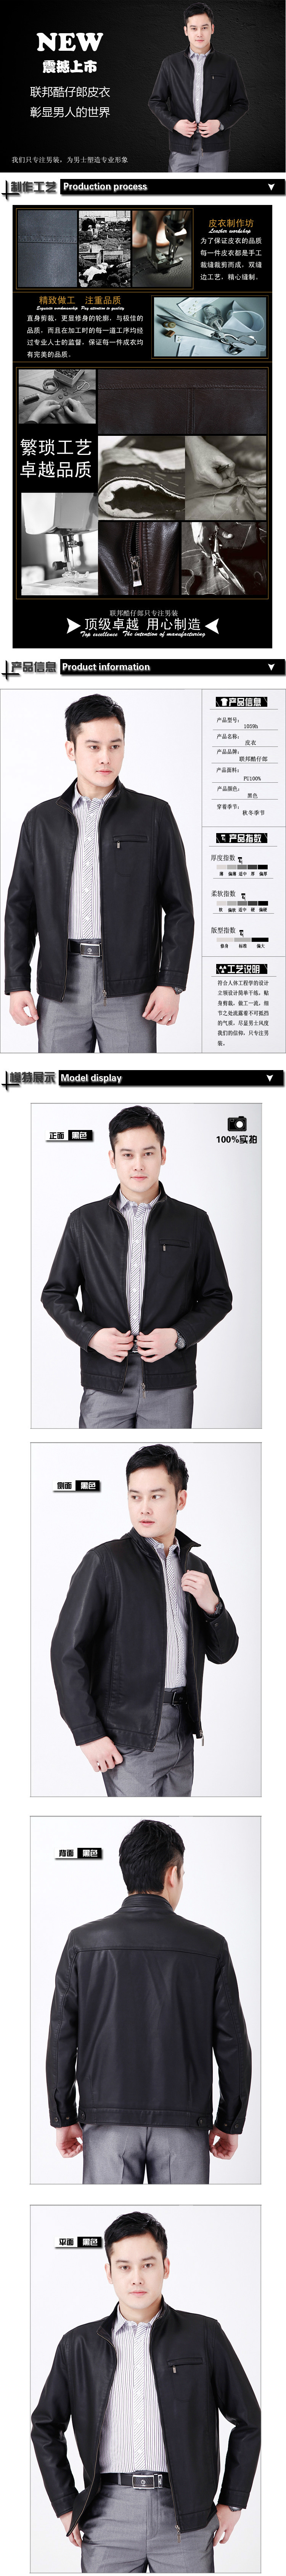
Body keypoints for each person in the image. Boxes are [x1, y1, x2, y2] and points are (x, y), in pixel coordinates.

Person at [31, 2208, 261, 2571]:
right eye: (124, 2267)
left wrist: (233, 2501)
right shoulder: (78, 2345)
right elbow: (45, 2426)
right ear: (109, 2273)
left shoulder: (204, 2335)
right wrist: (64, 2505)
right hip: (107, 2515)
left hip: (186, 2518)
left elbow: (249, 2419)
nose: (137, 2277)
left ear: (166, 2268)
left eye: (148, 2265)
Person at [47, 1814, 251, 2183]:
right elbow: (233, 2042)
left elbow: (62, 2035)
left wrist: (64, 2117)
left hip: (106, 2125)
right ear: (172, 1875)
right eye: (183, 1875)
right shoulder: (210, 1946)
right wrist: (229, 2121)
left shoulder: (83, 1943)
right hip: (184, 2125)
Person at [5, 696, 194, 1057]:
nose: (106, 757)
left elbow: (180, 908)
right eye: (93, 747)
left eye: (115, 746)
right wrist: (17, 983)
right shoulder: (40, 822)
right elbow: (20, 909)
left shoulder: (154, 815)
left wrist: (171, 982)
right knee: (59, 1084)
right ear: (71, 750)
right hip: (60, 986)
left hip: (132, 988)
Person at [50, 1440, 238, 1797]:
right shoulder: (105, 1563)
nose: (144, 1508)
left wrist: (213, 1606)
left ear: (181, 1499)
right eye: (135, 1497)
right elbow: (67, 1652)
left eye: (157, 1496)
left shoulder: (197, 1568)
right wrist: (87, 1733)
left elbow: (224, 1652)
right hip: (130, 1737)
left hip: (184, 1731)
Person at [41, 1104, 233, 1433]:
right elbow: (56, 1294)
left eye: (148, 1153)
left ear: (163, 1155)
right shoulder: (84, 1222)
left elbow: (218, 1297)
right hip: (105, 1377)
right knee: (99, 1457)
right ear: (113, 1159)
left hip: (170, 1380)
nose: (139, 1165)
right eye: (128, 1155)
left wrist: (179, 1337)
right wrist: (92, 1336)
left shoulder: (194, 1222)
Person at [149, 8, 248, 176]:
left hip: (216, 148)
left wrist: (220, 124)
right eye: (194, 28)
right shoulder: (171, 64)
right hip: (182, 146)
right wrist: (175, 124)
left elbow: (241, 103)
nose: (200, 34)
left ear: (212, 29)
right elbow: (156, 101)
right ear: (186, 31)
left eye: (205, 27)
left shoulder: (228, 63)